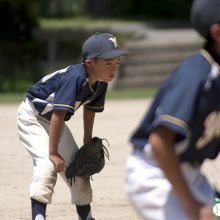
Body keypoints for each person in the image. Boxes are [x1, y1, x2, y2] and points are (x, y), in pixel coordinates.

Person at [16, 32, 130, 220]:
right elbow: (59, 115)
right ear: (90, 62)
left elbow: (90, 109)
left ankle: (86, 217)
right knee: (47, 164)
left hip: (53, 120)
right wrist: (53, 152)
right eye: (108, 63)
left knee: (78, 168)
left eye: (117, 63)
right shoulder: (75, 77)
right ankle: (38, 217)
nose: (113, 69)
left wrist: (87, 140)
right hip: (32, 117)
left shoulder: (100, 83)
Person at [125, 0, 220, 219]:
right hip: (155, 176)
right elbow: (159, 142)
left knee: (217, 211)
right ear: (217, 32)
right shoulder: (196, 74)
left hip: (191, 176)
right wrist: (192, 206)